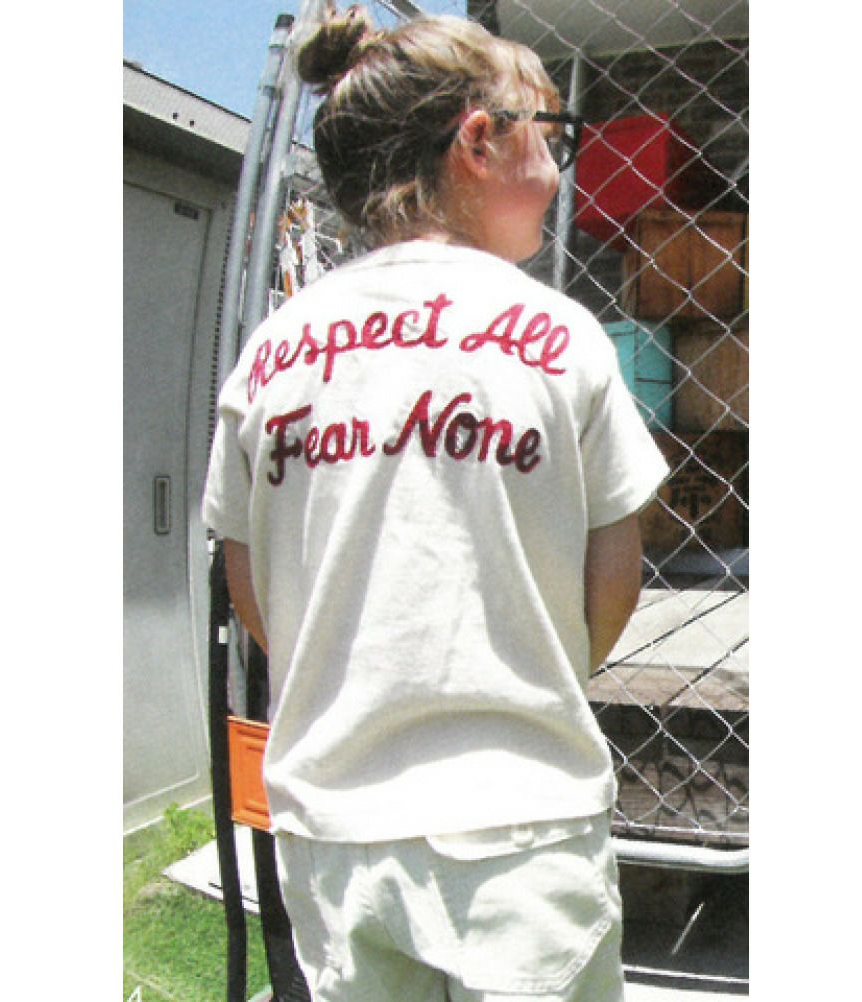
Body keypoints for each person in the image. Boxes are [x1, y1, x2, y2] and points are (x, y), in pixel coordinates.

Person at [202, 5, 669, 1000]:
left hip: (333, 821)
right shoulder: (561, 335)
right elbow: (613, 571)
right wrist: (539, 661)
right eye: (551, 134)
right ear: (479, 141)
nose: (560, 169)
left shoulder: (273, 352)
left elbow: (253, 587)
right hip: (523, 817)